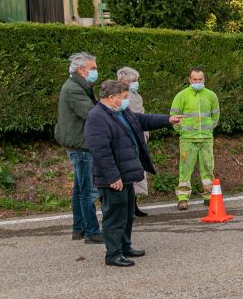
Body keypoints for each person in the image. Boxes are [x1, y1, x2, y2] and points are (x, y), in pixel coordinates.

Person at [84, 80, 181, 267]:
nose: (127, 100)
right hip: (113, 178)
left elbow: (141, 120)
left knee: (127, 214)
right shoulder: (97, 117)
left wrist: (167, 120)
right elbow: (100, 151)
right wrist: (113, 177)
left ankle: (125, 246)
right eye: (124, 97)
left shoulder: (121, 112)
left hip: (126, 173)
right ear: (111, 98)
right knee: (114, 216)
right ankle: (113, 254)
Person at [54, 52, 102, 243]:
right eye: (93, 68)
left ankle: (79, 228)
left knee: (79, 188)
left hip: (76, 142)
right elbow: (91, 113)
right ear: (81, 70)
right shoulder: (74, 88)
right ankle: (91, 231)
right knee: (87, 190)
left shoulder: (80, 86)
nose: (95, 72)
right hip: (81, 144)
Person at [170, 68, 220, 211]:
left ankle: (209, 197)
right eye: (195, 79)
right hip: (187, 139)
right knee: (185, 169)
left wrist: (209, 128)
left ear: (204, 79)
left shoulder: (211, 96)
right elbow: (174, 116)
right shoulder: (181, 96)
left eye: (200, 79)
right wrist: (182, 131)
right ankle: (183, 198)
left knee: (208, 168)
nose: (198, 82)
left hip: (205, 138)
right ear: (190, 80)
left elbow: (215, 117)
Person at [117, 67, 150, 218]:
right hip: (128, 139)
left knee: (137, 171)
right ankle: (128, 206)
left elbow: (143, 117)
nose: (136, 83)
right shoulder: (121, 97)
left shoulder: (138, 97)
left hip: (139, 138)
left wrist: (146, 135)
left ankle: (134, 205)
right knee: (129, 173)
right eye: (134, 80)